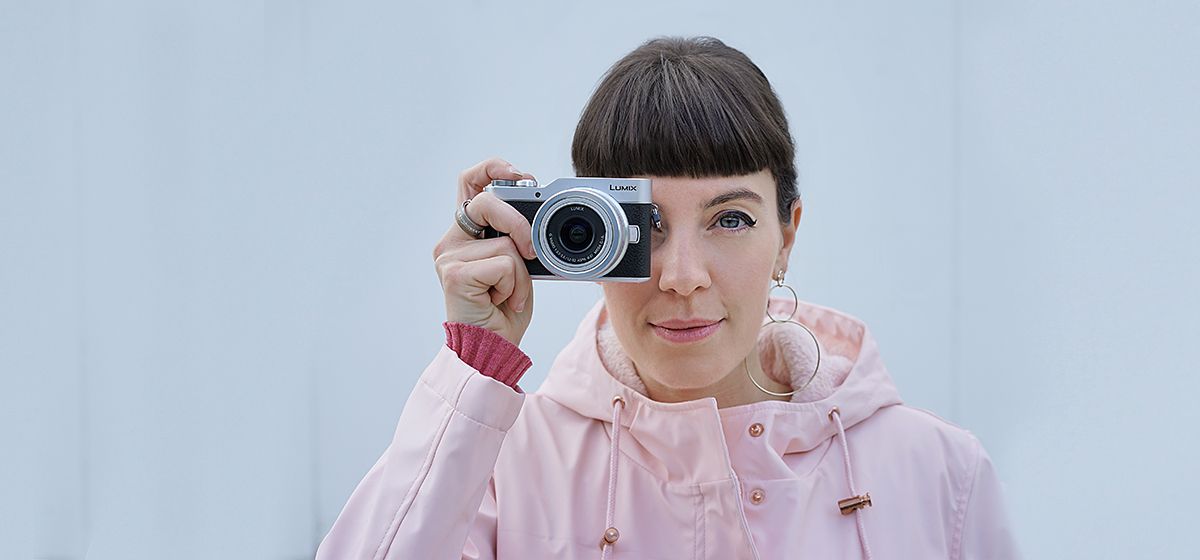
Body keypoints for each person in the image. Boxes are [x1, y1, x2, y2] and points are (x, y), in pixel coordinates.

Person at [316, 36, 1020, 559]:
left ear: (786, 237)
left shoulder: (939, 477)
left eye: (730, 220)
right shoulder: (501, 465)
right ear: (581, 239)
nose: (683, 276)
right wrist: (474, 366)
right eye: (642, 225)